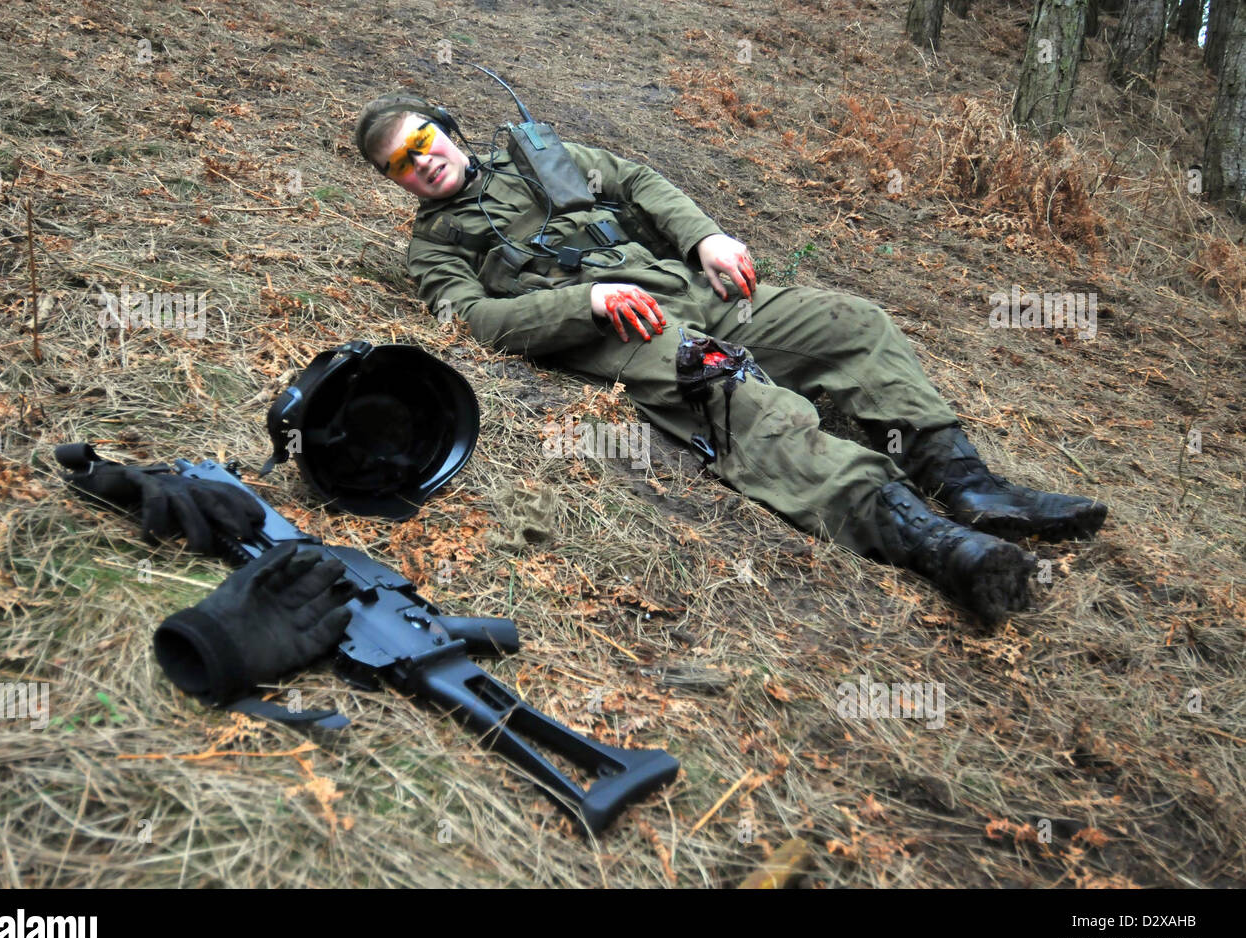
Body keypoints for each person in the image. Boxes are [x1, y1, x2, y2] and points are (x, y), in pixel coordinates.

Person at [353, 92, 1107, 624]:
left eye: (425, 141)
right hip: (623, 330)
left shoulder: (541, 158)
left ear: (447, 128)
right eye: (400, 165)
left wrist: (704, 238)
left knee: (853, 322)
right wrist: (580, 304)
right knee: (740, 393)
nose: (423, 163)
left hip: (690, 286)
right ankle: (933, 540)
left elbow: (638, 179)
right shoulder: (434, 246)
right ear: (394, 183)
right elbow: (473, 319)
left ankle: (967, 484)